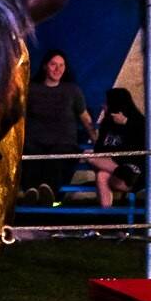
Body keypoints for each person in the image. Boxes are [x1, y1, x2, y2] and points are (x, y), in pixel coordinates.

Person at [20, 48, 93, 203]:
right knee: (30, 156)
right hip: (34, 143)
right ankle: (31, 193)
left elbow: (86, 118)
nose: (57, 69)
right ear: (45, 66)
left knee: (58, 158)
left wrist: (97, 143)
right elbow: (19, 117)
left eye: (61, 65)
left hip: (63, 144)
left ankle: (49, 194)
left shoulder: (72, 90)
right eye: (53, 64)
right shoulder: (31, 89)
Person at [92, 85, 147, 208]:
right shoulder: (106, 123)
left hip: (134, 170)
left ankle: (127, 174)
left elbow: (140, 148)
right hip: (116, 170)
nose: (103, 105)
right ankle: (107, 217)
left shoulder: (138, 122)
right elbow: (99, 149)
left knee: (91, 159)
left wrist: (126, 124)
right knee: (101, 174)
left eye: (107, 103)